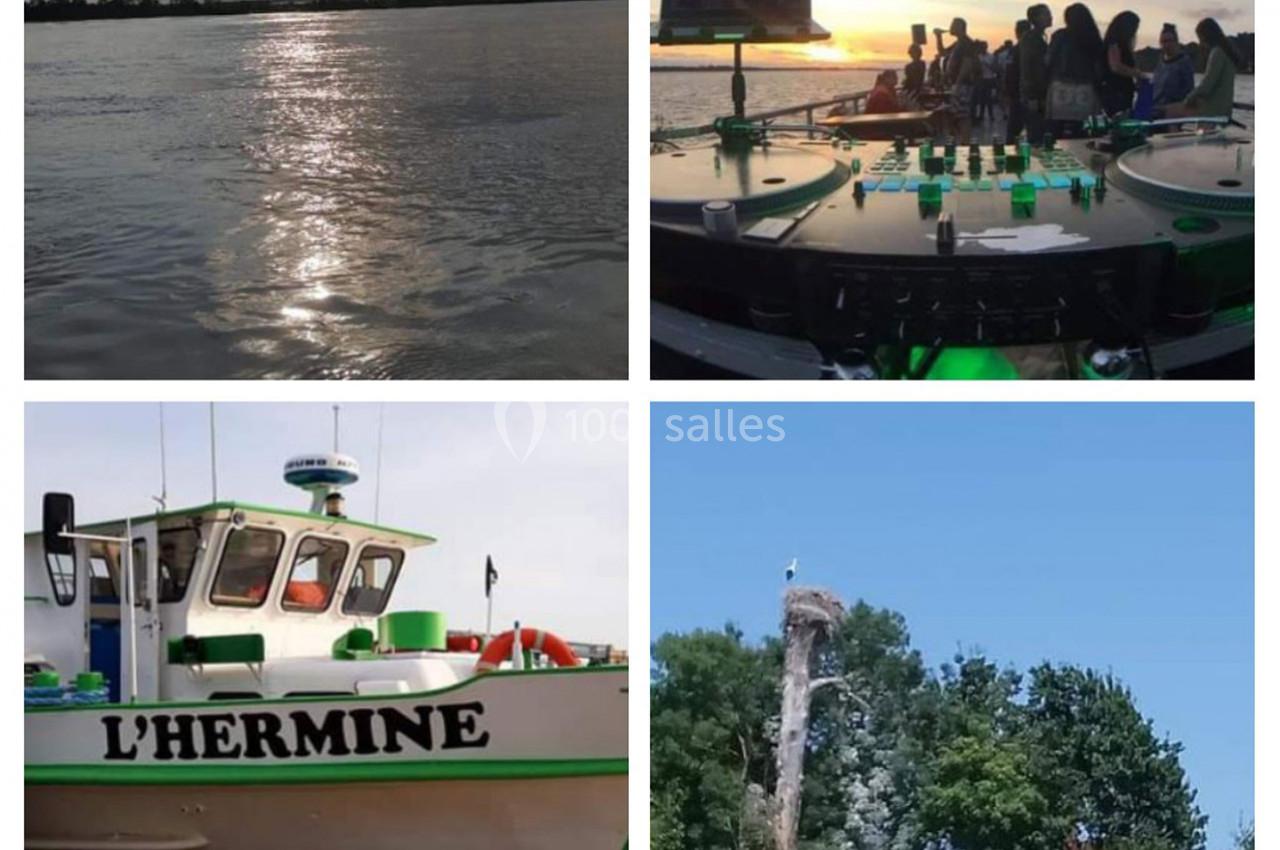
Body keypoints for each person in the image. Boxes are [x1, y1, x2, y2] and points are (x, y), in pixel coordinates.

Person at [1045, 3, 1104, 137]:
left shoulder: (1060, 35)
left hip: (1060, 90)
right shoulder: (1093, 38)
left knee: (1056, 134)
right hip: (1085, 90)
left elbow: (1048, 61)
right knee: (1082, 134)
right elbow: (1099, 68)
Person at [1164, 17, 1242, 118]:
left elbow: (1207, 85)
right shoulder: (1228, 54)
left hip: (1212, 110)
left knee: (1168, 112)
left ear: (1206, 36)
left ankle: (1173, 133)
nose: (1200, 43)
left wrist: (1188, 99)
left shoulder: (1217, 53)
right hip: (1224, 108)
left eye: (1200, 38)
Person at [936, 17, 979, 139]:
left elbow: (967, 64)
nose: (950, 28)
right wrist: (938, 37)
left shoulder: (966, 43)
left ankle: (965, 143)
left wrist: (958, 85)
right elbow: (943, 52)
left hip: (963, 85)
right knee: (957, 115)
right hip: (958, 84)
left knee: (963, 116)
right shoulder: (959, 43)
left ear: (960, 27)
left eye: (953, 25)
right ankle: (961, 140)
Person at [1019, 4, 1053, 143]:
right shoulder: (1031, 39)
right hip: (1035, 95)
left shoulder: (1038, 38)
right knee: (1036, 134)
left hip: (1038, 94)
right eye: (1046, 14)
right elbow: (1028, 68)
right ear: (1036, 18)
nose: (1050, 17)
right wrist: (1033, 96)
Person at [1100, 11, 1145, 114]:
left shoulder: (1116, 43)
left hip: (1120, 93)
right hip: (1116, 94)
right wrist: (1138, 74)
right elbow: (1115, 66)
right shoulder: (1114, 43)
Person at [1151, 23, 1194, 106]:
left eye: (1169, 41)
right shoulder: (1161, 62)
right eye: (1163, 42)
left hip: (1172, 110)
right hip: (1154, 107)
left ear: (1176, 41)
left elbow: (1189, 91)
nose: (1166, 45)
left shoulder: (1184, 62)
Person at [1005, 20, 1030, 142]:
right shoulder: (1025, 50)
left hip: (1016, 93)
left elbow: (1008, 73)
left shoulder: (1014, 50)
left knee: (1014, 128)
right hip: (1023, 93)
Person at [971, 41, 998, 123]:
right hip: (981, 79)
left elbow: (995, 68)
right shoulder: (978, 57)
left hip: (989, 78)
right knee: (982, 98)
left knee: (989, 98)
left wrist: (987, 65)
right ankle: (981, 115)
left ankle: (991, 115)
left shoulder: (991, 56)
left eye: (984, 47)